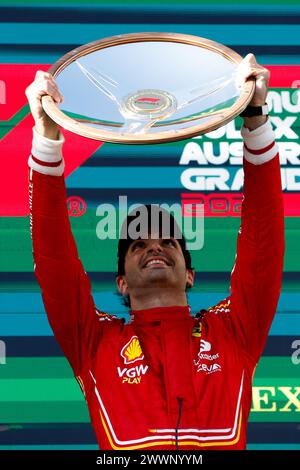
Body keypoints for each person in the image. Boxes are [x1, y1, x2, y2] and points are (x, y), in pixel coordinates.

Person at [25, 54, 284, 450]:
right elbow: (54, 260)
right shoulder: (94, 342)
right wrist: (46, 138)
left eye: (168, 241)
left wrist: (255, 120)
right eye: (139, 244)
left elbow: (262, 246)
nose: (155, 246)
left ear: (191, 273)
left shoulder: (234, 330)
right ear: (122, 282)